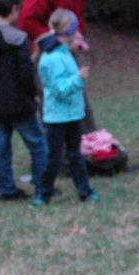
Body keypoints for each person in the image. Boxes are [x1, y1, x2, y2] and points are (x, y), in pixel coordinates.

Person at [0, 0, 48, 201]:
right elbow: (25, 73)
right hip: (18, 104)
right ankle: (43, 187)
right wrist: (33, 95)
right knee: (38, 144)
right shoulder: (18, 39)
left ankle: (6, 189)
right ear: (14, 9)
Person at [34, 9, 98, 205]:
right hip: (57, 118)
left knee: (76, 155)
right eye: (76, 30)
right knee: (54, 158)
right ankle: (43, 193)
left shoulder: (64, 51)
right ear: (68, 32)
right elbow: (59, 90)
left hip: (72, 114)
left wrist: (75, 47)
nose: (79, 34)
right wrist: (79, 78)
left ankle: (85, 191)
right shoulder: (52, 58)